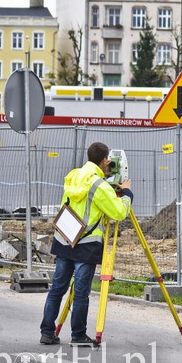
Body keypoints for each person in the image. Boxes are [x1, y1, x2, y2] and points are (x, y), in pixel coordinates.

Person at [39, 142, 133, 347]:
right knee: (81, 294)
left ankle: (47, 332)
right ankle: (78, 335)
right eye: (108, 160)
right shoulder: (99, 185)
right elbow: (118, 213)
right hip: (86, 245)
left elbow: (81, 201)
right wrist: (126, 194)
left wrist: (106, 180)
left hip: (65, 238)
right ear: (105, 160)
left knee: (57, 289)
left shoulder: (75, 175)